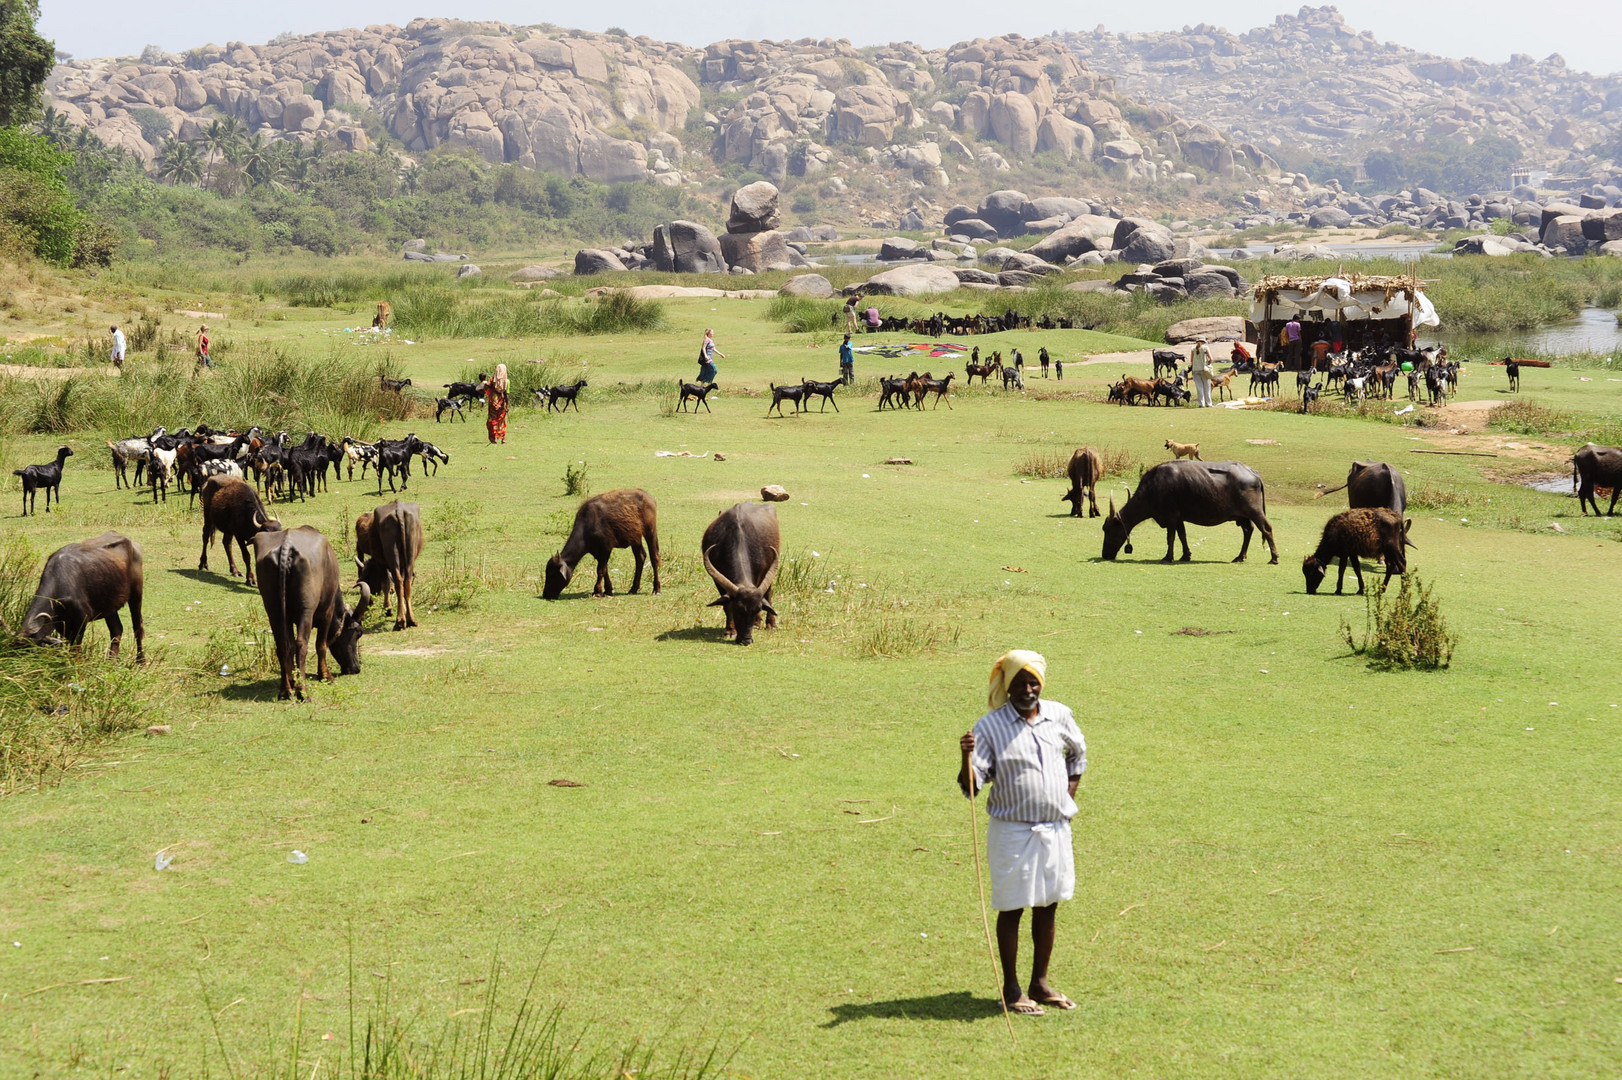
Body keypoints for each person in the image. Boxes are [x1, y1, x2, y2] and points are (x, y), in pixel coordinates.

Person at [958, 650, 1086, 1017]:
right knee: (1012, 908)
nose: (1027, 690)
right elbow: (972, 786)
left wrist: (1067, 798)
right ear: (1007, 685)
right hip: (1012, 831)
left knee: (1049, 906)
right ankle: (1012, 989)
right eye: (1019, 683)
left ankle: (1040, 984)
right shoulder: (989, 727)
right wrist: (965, 757)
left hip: (1055, 828)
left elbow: (1078, 755)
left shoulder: (1059, 715)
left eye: (1033, 683)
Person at [481, 363, 509, 444]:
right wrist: (507, 404)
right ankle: (503, 438)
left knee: (493, 419)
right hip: (502, 404)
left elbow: (486, 388)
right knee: (502, 420)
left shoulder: (492, 380)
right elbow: (507, 394)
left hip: (493, 404)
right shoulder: (506, 381)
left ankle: (495, 438)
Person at [1189, 337, 1214, 408]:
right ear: (1203, 341)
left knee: (1199, 387)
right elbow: (1211, 359)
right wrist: (1208, 363)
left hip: (1195, 369)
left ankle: (1201, 404)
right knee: (1207, 387)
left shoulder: (1193, 348)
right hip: (1204, 369)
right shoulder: (1205, 347)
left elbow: (1191, 360)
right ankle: (1209, 403)